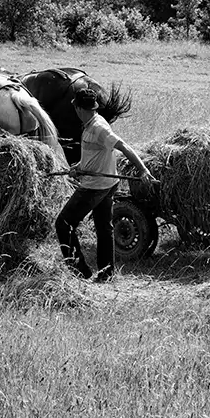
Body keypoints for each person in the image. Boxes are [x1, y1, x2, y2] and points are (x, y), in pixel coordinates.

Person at [55, 86, 156, 280]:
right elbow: (96, 154)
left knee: (63, 224)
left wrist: (143, 170)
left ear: (78, 108)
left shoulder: (98, 128)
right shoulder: (94, 122)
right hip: (106, 183)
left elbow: (123, 146)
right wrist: (78, 166)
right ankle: (106, 273)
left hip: (94, 187)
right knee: (104, 229)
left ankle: (79, 271)